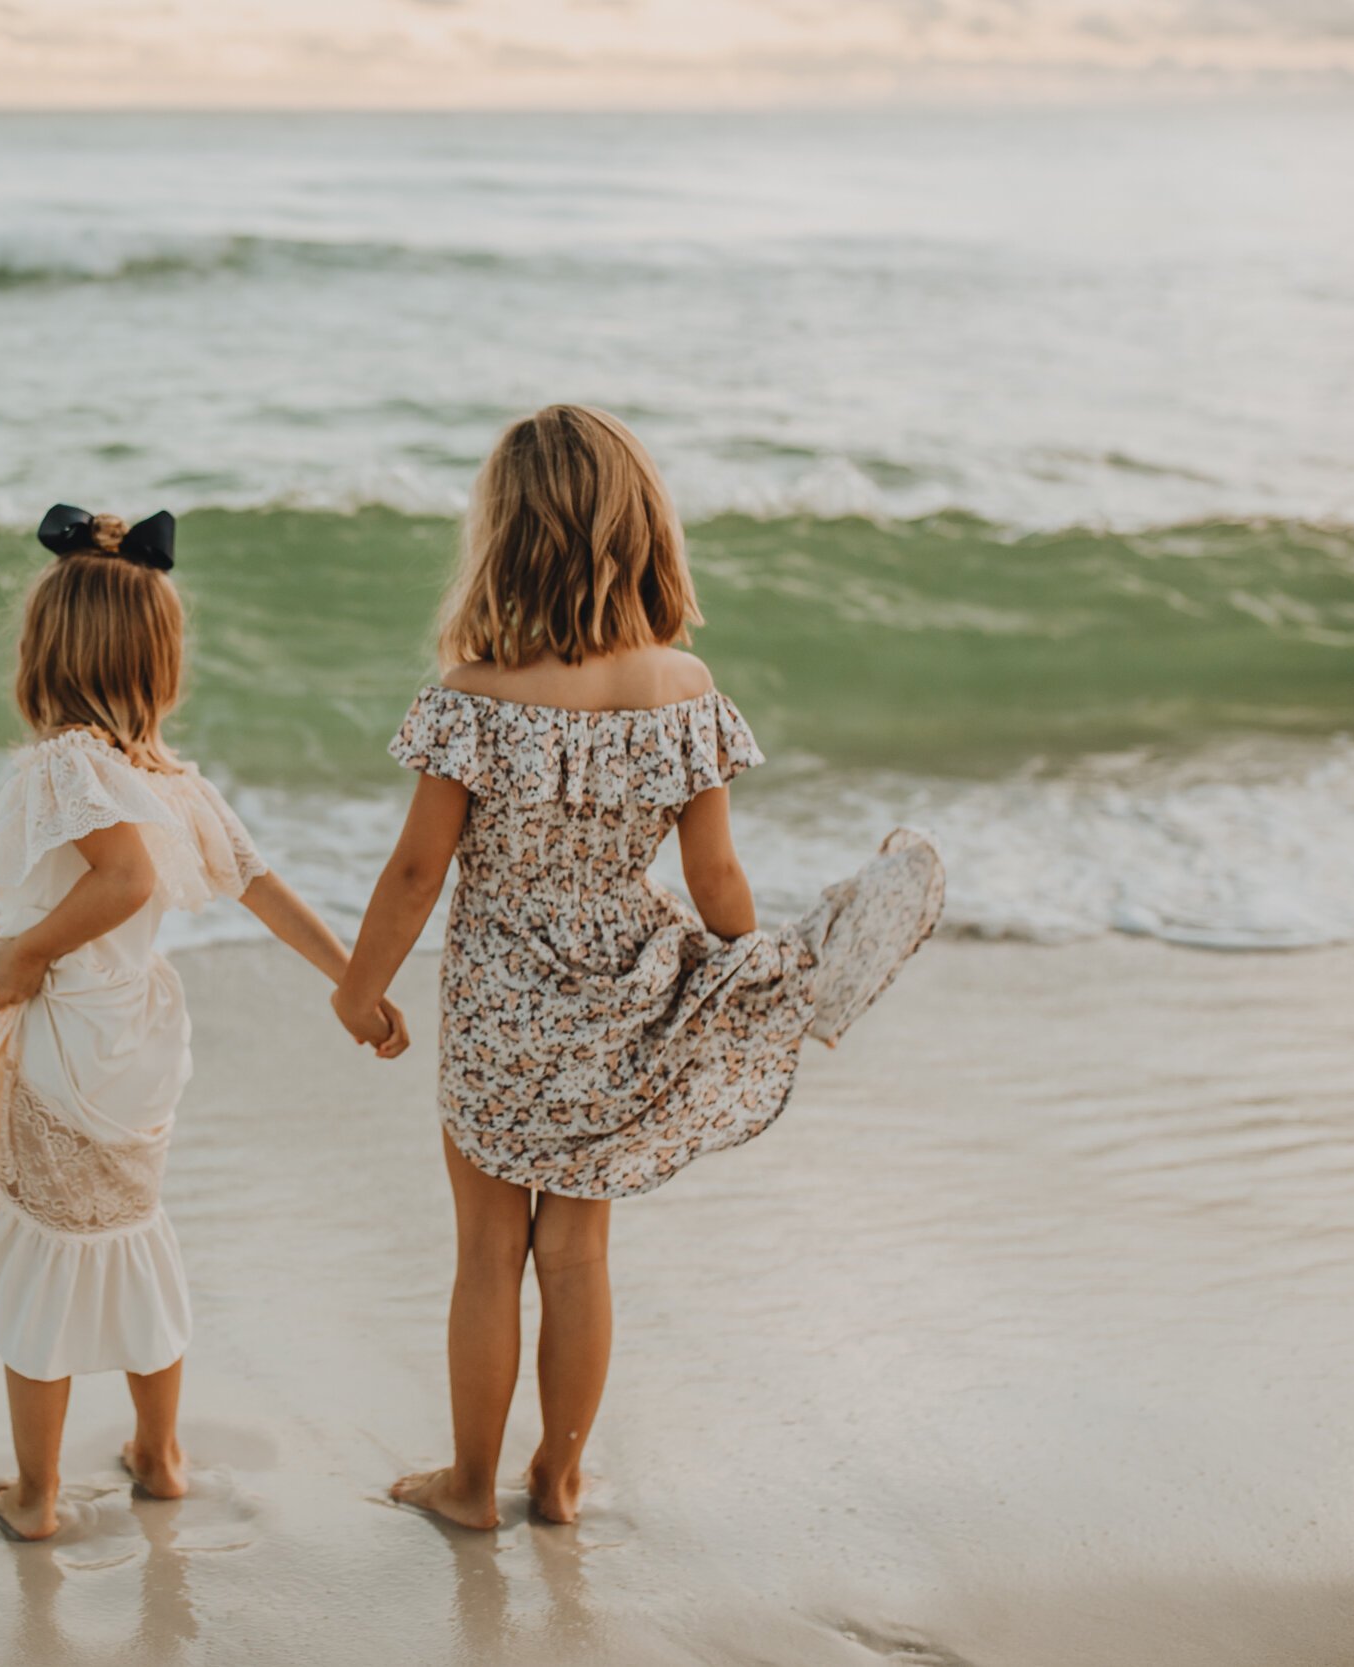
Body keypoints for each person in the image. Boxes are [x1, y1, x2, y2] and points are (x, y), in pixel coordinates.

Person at [330, 406, 945, 1530]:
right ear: (643, 532)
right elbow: (715, 880)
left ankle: (469, 1486)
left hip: (498, 1013)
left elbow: (417, 871)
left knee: (485, 1253)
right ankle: (557, 1481)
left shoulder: (471, 696)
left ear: (503, 539)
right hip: (623, 1001)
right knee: (574, 1253)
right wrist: (744, 971)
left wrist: (358, 986)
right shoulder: (682, 689)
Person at [0, 503, 406, 1542]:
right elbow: (261, 886)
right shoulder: (172, 777)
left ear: (46, 654)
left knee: (43, 1252)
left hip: (70, 1048)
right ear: (158, 658)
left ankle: (39, 1496)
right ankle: (161, 1455)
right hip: (143, 1055)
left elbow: (125, 879)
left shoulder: (66, 765)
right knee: (134, 1241)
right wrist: (350, 983)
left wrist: (25, 949)